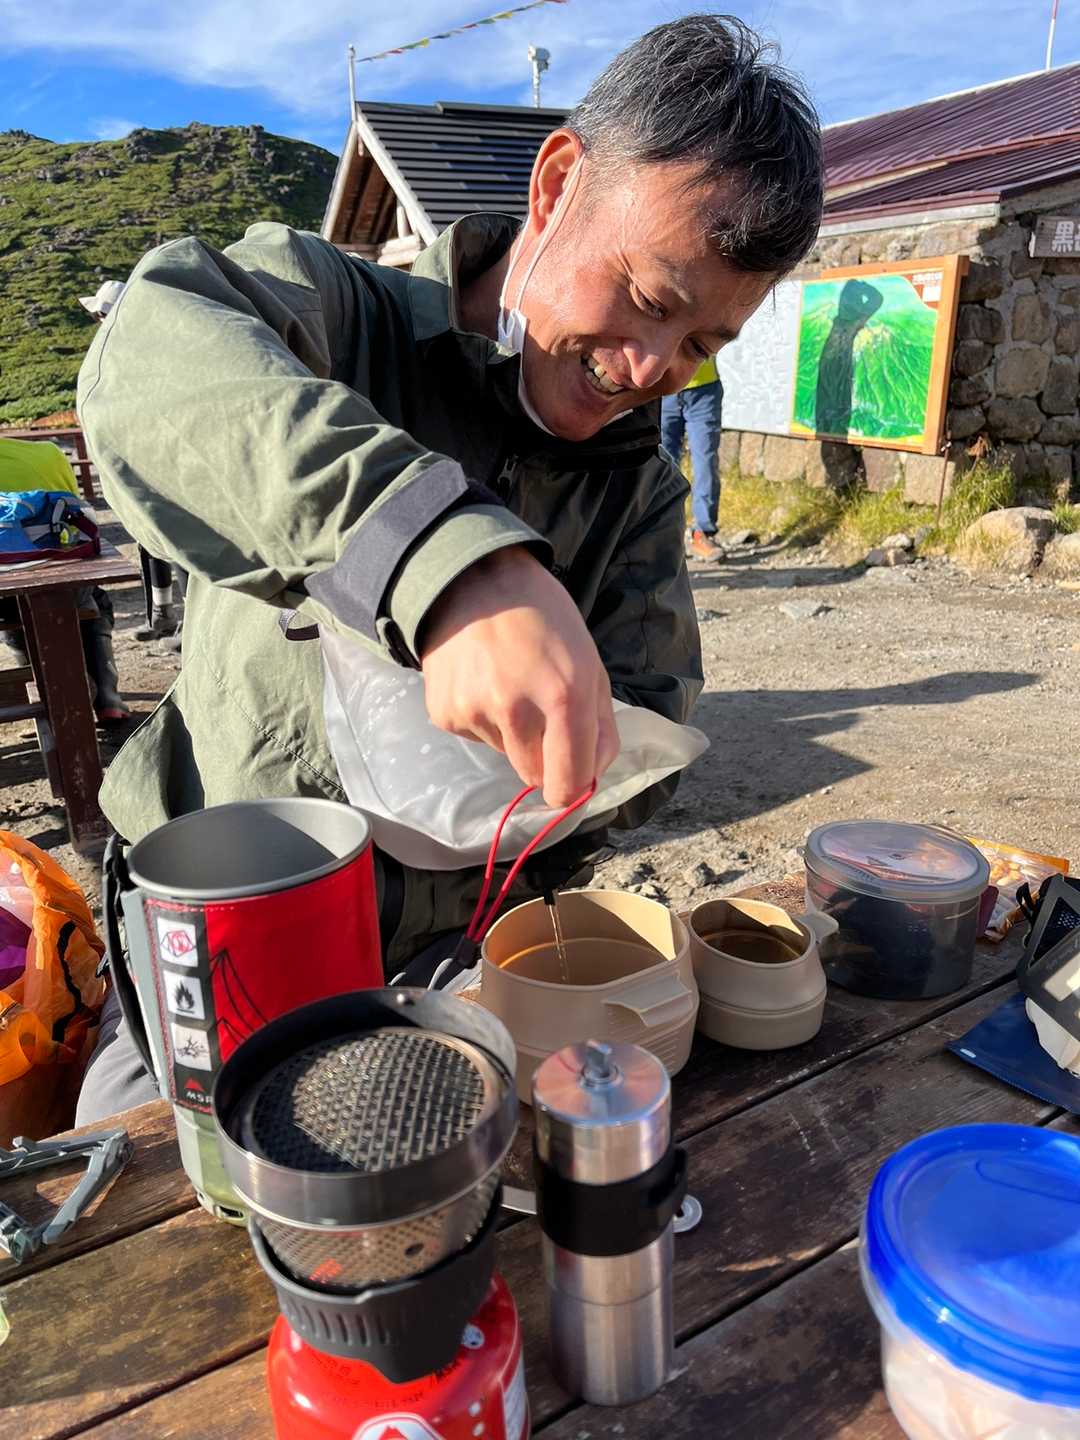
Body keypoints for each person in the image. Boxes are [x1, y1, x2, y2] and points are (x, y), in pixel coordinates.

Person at [74, 15, 823, 1121]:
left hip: (453, 972)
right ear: (557, 185)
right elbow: (150, 355)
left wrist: (591, 759)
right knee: (151, 1200)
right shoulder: (335, 316)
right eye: (652, 300)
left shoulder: (636, 488)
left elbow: (645, 721)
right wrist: (444, 561)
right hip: (216, 949)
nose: (650, 368)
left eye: (703, 347)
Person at [80, 280, 184, 648]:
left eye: (99, 315)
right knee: (149, 537)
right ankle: (162, 614)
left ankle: (190, 622)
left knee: (177, 537)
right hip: (144, 453)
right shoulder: (141, 344)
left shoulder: (139, 349)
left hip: (160, 454)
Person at [0, 436, 129, 723]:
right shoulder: (47, 454)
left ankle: (50, 694)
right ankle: (107, 698)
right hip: (63, 583)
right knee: (94, 601)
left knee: (12, 619)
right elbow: (77, 512)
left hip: (4, 601)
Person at [661, 355, 726, 561]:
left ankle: (702, 533)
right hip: (661, 388)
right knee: (662, 466)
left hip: (703, 389)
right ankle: (663, 536)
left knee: (706, 462)